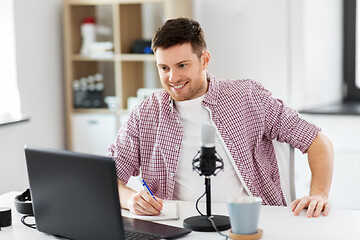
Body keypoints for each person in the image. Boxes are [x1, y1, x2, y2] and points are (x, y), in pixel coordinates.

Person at [108, 17, 334, 218]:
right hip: (175, 225)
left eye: (182, 65)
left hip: (249, 222)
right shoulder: (146, 112)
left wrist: (319, 195)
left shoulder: (247, 96)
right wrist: (130, 199)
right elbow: (109, 177)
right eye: (164, 68)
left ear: (204, 60)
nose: (172, 77)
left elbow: (316, 140)